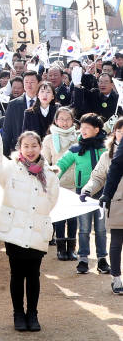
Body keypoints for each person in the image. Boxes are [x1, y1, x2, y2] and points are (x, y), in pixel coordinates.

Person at [0, 131, 59, 332]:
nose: (30, 150)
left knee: (34, 274)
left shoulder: (50, 174)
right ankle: (18, 313)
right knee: (17, 273)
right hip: (14, 229)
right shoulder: (11, 169)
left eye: (34, 145)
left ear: (40, 147)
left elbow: (51, 201)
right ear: (20, 148)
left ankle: (32, 314)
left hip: (36, 228)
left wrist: (35, 214)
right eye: (26, 146)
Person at [57, 113, 109, 274]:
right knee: (84, 229)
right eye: (82, 128)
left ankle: (102, 260)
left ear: (97, 129)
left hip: (103, 195)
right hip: (83, 195)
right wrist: (50, 178)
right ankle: (83, 260)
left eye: (87, 128)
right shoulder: (76, 148)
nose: (83, 131)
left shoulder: (106, 149)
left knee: (101, 230)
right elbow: (61, 165)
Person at [81, 117, 123, 294]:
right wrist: (87, 190)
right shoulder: (108, 156)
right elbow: (97, 177)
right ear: (114, 133)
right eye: (120, 131)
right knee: (116, 242)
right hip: (117, 204)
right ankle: (116, 278)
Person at [42, 107, 78, 260]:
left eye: (68, 119)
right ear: (56, 120)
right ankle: (60, 248)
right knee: (60, 216)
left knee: (73, 217)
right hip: (57, 182)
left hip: (76, 182)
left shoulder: (78, 137)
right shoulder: (49, 139)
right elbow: (45, 160)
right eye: (61, 119)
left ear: (72, 120)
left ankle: (71, 249)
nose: (64, 122)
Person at [3, 71, 40, 155]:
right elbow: (7, 130)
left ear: (38, 83)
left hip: (39, 149)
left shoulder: (43, 102)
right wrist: (5, 154)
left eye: (32, 82)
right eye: (26, 82)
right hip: (18, 150)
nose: (29, 85)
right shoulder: (13, 104)